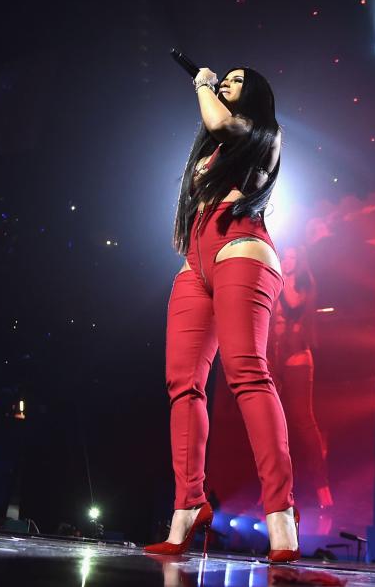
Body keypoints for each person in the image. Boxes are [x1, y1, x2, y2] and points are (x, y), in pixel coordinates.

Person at [144, 66, 299, 563]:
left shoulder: (263, 134)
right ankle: (188, 506)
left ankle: (282, 520)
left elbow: (218, 120)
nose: (224, 84)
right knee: (181, 382)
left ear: (253, 94)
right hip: (197, 260)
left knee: (247, 374)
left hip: (241, 247)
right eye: (222, 80)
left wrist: (202, 84)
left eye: (235, 80)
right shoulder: (216, 147)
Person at [268, 245, 333, 510]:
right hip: (276, 357)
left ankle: (322, 486)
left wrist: (280, 279)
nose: (288, 260)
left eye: (292, 257)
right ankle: (272, 485)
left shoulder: (304, 284)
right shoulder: (276, 281)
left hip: (298, 358)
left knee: (303, 422)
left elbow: (294, 305)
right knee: (271, 420)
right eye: (285, 256)